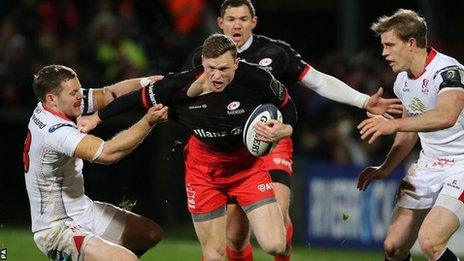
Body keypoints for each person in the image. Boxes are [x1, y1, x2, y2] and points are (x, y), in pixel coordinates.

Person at [185, 1, 404, 260]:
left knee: (276, 225)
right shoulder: (204, 56)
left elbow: (319, 81)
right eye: (231, 19)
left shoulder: (275, 52)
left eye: (243, 19)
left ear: (254, 22)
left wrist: (364, 101)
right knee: (234, 234)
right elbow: (186, 97)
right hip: (231, 150)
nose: (237, 25)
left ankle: (283, 248)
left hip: (272, 142)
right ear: (220, 23)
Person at [78, 34, 298, 261]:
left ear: (236, 63)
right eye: (211, 68)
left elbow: (287, 105)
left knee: (275, 245)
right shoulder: (178, 86)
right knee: (214, 256)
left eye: (224, 68)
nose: (217, 75)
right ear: (203, 61)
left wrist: (285, 129)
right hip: (203, 171)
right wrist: (96, 118)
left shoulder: (257, 79)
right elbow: (135, 99)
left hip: (246, 167)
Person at [24, 64, 168, 260]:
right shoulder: (55, 132)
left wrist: (146, 83)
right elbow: (109, 154)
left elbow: (108, 94)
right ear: (52, 98)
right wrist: (148, 121)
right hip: (57, 228)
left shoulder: (52, 105)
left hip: (83, 211)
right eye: (74, 92)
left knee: (150, 234)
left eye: (79, 90)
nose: (80, 96)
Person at [356, 9, 464, 261]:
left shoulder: (448, 72)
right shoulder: (401, 81)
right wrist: (386, 167)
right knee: (393, 246)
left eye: (390, 45)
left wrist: (394, 125)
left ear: (411, 43)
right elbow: (409, 133)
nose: (384, 53)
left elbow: (446, 116)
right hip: (428, 165)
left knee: (430, 242)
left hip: (461, 165)